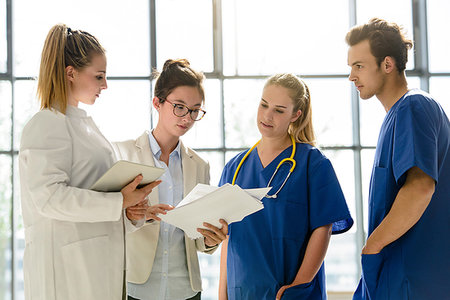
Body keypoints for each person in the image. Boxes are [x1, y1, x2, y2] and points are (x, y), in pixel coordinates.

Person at [18, 24, 161, 300]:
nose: (105, 85)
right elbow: (48, 198)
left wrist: (128, 211)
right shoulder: (46, 124)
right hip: (67, 274)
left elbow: (94, 194)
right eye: (99, 76)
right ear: (70, 73)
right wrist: (119, 202)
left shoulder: (85, 126)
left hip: (96, 266)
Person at [218, 73, 354, 300]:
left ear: (295, 115)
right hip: (242, 291)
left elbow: (323, 227)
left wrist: (300, 284)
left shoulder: (313, 163)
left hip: (290, 292)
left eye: (279, 110)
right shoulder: (235, 168)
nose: (267, 115)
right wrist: (222, 295)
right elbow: (228, 238)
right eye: (264, 105)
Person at [347, 18, 450, 299]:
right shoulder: (398, 116)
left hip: (414, 279)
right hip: (400, 276)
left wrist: (372, 247)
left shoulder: (413, 107)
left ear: (387, 64)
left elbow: (420, 187)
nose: (351, 76)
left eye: (359, 66)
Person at [112, 59, 228, 300]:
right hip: (136, 287)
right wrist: (133, 214)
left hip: (185, 290)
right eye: (179, 107)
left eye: (195, 110)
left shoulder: (199, 166)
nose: (187, 117)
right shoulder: (123, 154)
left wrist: (210, 239)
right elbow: (104, 219)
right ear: (157, 102)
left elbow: (198, 240)